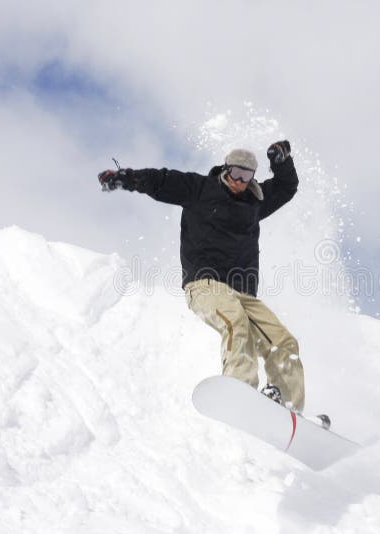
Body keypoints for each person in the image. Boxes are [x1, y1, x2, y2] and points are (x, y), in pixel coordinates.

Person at [98, 141, 306, 413]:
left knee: (283, 341)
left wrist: (281, 162)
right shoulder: (199, 189)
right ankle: (240, 392)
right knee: (235, 323)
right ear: (225, 169)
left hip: (243, 292)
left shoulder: (255, 202)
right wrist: (125, 178)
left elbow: (286, 187)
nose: (239, 181)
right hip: (205, 284)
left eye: (247, 176)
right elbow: (160, 181)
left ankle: (290, 413)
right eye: (235, 173)